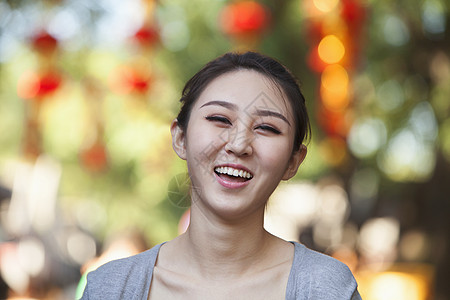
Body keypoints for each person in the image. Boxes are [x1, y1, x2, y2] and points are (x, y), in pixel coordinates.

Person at [80, 52, 361, 299]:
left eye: (267, 128)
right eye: (219, 119)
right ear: (180, 138)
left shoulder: (325, 288)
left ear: (293, 161)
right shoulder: (110, 288)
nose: (238, 145)